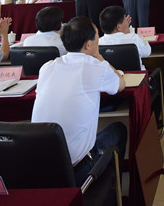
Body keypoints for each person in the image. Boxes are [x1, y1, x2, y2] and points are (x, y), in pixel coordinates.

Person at [31, 17, 127, 185]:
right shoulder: (95, 67)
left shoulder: (47, 67)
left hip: (39, 168)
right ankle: (108, 190)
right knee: (118, 130)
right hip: (75, 172)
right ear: (88, 45)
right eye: (97, 36)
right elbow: (120, 84)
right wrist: (98, 56)